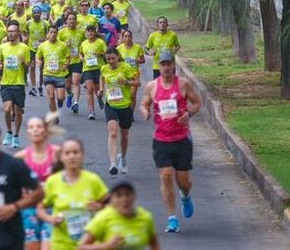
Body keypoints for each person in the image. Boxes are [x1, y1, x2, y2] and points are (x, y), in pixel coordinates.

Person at [139, 52, 201, 233]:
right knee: (166, 176)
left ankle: (185, 195)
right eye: (162, 64)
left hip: (181, 139)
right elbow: (144, 103)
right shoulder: (152, 86)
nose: (165, 68)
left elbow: (197, 103)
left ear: (173, 65)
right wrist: (145, 111)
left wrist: (188, 114)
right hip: (161, 139)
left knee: (183, 180)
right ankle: (172, 218)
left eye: (168, 64)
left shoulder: (183, 84)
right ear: (159, 65)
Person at [13, 117, 60, 250]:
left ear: (45, 131)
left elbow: (69, 178)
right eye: (31, 127)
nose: (35, 130)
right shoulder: (21, 158)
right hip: (29, 212)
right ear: (27, 133)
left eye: (39, 127)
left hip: (52, 209)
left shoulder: (56, 154)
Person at [100, 48, 140, 176]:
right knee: (112, 132)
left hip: (125, 106)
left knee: (124, 136)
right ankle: (112, 164)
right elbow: (102, 77)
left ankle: (122, 158)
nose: (111, 61)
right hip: (111, 105)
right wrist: (101, 89)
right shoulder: (104, 68)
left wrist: (127, 82)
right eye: (108, 59)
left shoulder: (125, 67)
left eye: (113, 58)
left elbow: (137, 82)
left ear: (118, 57)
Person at [0, 21, 30, 148]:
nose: (11, 34)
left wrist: (23, 63)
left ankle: (16, 135)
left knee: (18, 112)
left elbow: (28, 65)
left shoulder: (24, 48)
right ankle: (9, 132)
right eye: (9, 31)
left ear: (18, 32)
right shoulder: (2, 47)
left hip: (19, 83)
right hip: (5, 82)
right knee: (7, 109)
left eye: (13, 31)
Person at [37, 25, 71, 120]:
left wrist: (66, 65)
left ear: (57, 34)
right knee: (51, 96)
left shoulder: (62, 45)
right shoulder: (42, 45)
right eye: (51, 32)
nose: (53, 34)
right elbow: (38, 56)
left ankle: (60, 101)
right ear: (47, 34)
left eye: (55, 32)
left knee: (60, 97)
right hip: (47, 74)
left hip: (59, 75)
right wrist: (38, 61)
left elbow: (68, 57)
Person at [57, 13, 85, 114]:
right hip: (66, 61)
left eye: (74, 19)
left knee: (76, 82)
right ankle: (70, 94)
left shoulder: (81, 32)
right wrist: (65, 45)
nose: (72, 21)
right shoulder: (61, 32)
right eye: (70, 19)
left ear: (76, 20)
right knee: (67, 85)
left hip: (77, 61)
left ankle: (76, 103)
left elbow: (85, 44)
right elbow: (56, 46)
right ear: (66, 21)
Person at [79, 25, 108, 121]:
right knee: (89, 89)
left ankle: (99, 98)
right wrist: (81, 58)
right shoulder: (83, 44)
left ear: (95, 32)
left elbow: (108, 53)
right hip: (87, 68)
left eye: (92, 31)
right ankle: (91, 112)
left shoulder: (101, 42)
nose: (90, 33)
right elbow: (80, 53)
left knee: (98, 90)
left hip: (99, 68)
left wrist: (101, 54)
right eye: (88, 31)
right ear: (86, 33)